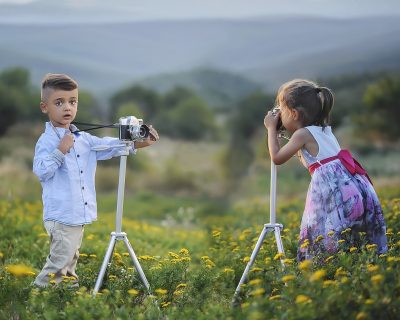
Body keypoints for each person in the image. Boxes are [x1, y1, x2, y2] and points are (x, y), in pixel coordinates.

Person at [33, 73, 159, 287]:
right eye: (59, 102)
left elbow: (107, 145)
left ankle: (65, 295)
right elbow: (42, 171)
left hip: (76, 214)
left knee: (70, 259)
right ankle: (36, 295)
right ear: (45, 107)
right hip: (62, 214)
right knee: (59, 262)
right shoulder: (47, 141)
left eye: (72, 102)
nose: (67, 108)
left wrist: (137, 143)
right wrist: (60, 151)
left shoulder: (84, 139)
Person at [264, 79, 387, 261]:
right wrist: (281, 130)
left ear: (294, 113)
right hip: (355, 189)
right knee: (352, 238)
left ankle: (325, 270)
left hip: (333, 194)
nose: (279, 114)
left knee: (324, 233)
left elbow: (277, 158)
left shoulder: (302, 134)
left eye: (281, 110)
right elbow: (309, 159)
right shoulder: (324, 130)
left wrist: (270, 129)